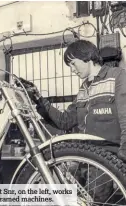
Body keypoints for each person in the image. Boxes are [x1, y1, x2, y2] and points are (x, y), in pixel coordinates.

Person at [20, 39, 126, 201]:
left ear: (88, 58)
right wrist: (38, 98)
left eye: (73, 64)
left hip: (108, 159)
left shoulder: (118, 77)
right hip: (86, 159)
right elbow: (65, 121)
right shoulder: (84, 89)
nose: (72, 70)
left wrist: (122, 161)